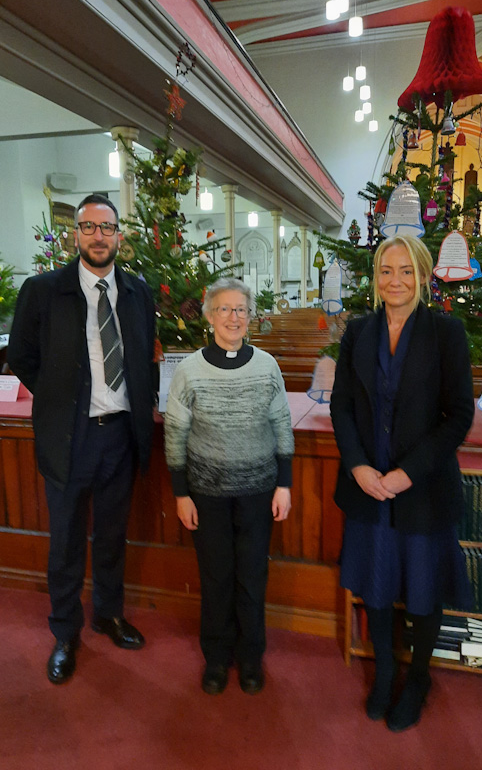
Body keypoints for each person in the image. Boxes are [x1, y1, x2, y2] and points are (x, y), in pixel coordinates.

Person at [8, 193, 156, 684]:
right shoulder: (42, 290)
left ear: (119, 235)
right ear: (76, 234)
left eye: (107, 227)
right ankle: (65, 631)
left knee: (112, 535)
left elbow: (139, 362)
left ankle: (109, 614)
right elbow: (22, 357)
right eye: (89, 227)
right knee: (67, 540)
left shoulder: (137, 293)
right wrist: (58, 401)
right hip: (67, 438)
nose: (98, 235)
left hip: (119, 435)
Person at [330, 234, 474, 732]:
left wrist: (406, 472)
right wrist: (358, 466)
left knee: (422, 589)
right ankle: (385, 668)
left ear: (424, 275)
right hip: (368, 486)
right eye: (387, 271)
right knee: (376, 584)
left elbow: (458, 417)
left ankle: (417, 677)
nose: (396, 280)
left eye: (407, 271)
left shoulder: (446, 333)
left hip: (423, 486)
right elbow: (341, 406)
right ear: (376, 277)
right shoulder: (359, 331)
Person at [164, 278, 294, 695]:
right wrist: (181, 492)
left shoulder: (267, 365)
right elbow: (175, 434)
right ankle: (217, 658)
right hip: (207, 493)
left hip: (259, 489)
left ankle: (251, 657)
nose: (233, 317)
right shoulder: (189, 370)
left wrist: (284, 484)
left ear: (250, 316)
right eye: (224, 309)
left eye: (241, 309)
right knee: (216, 578)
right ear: (209, 316)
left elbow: (281, 425)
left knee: (253, 577)